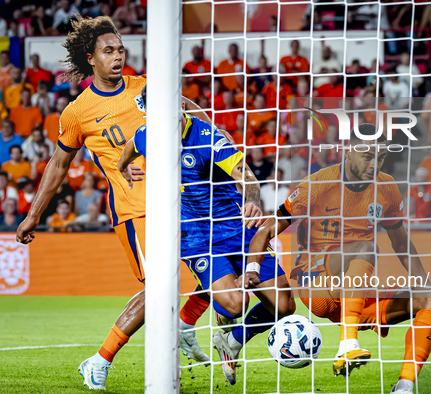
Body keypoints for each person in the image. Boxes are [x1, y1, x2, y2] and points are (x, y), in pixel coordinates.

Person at [15, 16, 170, 391]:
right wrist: (34, 215)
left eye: (120, 49)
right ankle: (99, 361)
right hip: (135, 211)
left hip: (176, 204)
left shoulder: (148, 87)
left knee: (209, 275)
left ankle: (181, 328)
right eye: (108, 51)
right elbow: (58, 164)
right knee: (159, 290)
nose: (118, 57)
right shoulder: (77, 112)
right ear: (91, 59)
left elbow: (193, 119)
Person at [246, 124, 431, 394]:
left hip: (354, 292)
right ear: (348, 151)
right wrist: (252, 267)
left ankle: (404, 386)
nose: (375, 163)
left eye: (381, 157)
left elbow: (402, 243)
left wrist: (426, 285)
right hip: (316, 282)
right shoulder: (318, 184)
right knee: (366, 248)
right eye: (368, 155)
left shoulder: (387, 189)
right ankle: (347, 345)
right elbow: (266, 229)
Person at [118, 84, 295, 386]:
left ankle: (233, 340)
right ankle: (222, 307)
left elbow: (246, 175)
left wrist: (252, 199)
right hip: (195, 235)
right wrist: (124, 167)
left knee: (284, 307)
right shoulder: (149, 134)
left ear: (182, 108)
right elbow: (132, 145)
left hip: (235, 228)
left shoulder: (208, 139)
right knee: (235, 305)